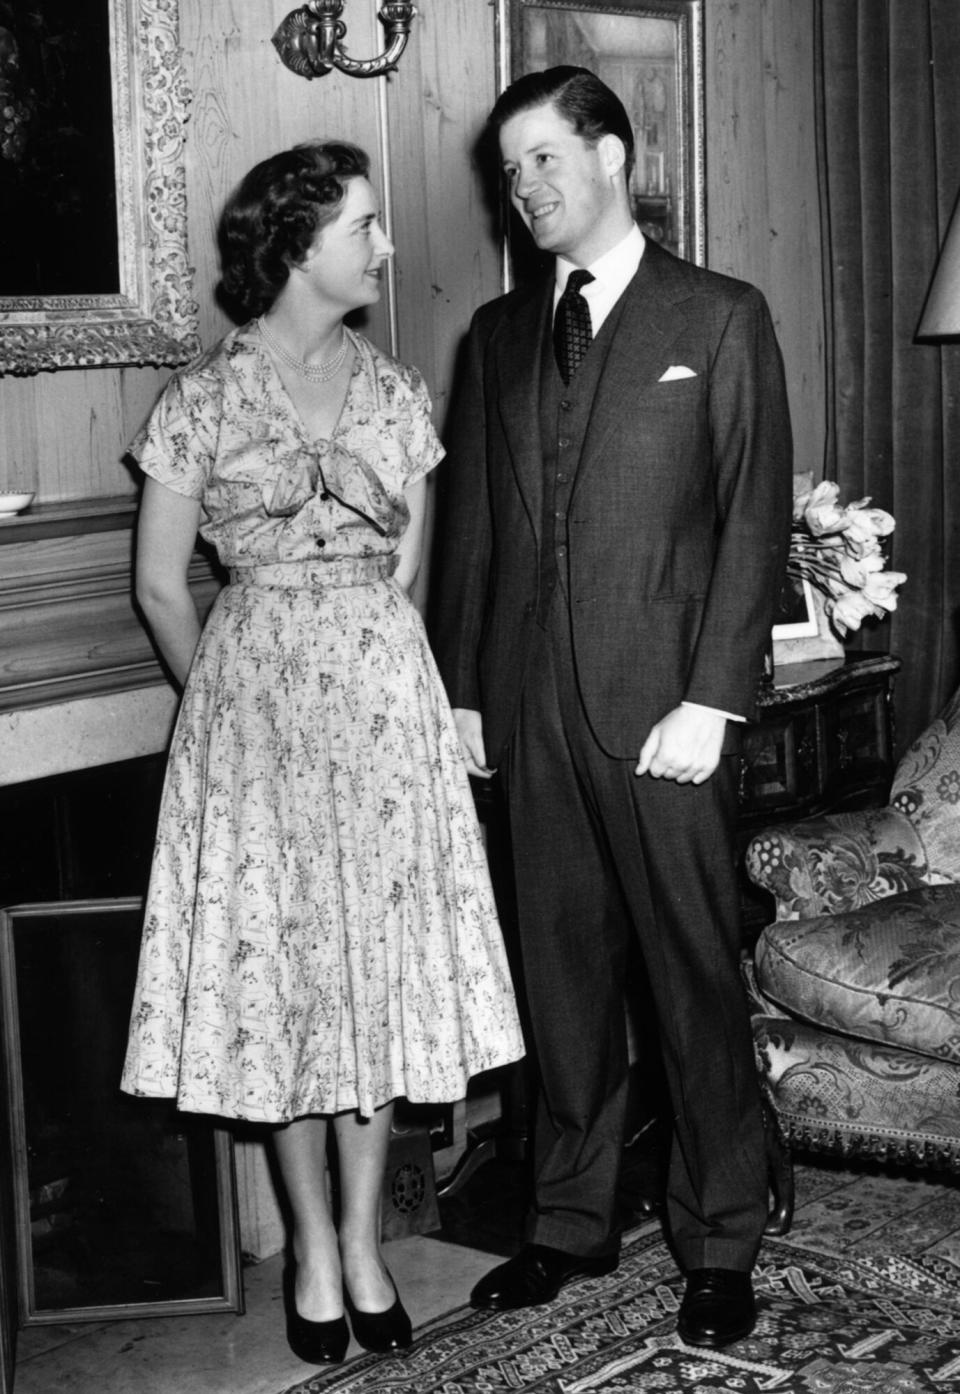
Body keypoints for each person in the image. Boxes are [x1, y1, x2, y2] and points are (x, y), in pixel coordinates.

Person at [120, 140, 524, 1367]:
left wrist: (366, 692)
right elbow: (157, 585)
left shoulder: (396, 391)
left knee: (374, 988)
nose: (386, 246)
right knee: (281, 994)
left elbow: (410, 571)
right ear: (299, 245)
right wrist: (235, 710)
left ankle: (361, 1244)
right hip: (250, 728)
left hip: (383, 712)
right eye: (365, 225)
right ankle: (307, 1248)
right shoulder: (200, 400)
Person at [432, 68, 793, 1349]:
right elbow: (471, 532)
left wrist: (715, 699)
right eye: (509, 170)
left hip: (666, 722)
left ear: (613, 157)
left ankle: (720, 1231)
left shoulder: (722, 315)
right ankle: (569, 1219)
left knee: (693, 976)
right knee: (563, 978)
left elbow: (753, 524)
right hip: (528, 714)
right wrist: (463, 691)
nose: (523, 189)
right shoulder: (496, 336)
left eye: (543, 161)